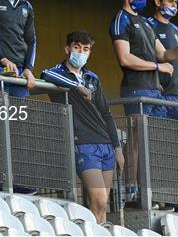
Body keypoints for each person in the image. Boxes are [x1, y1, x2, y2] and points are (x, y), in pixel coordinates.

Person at [109, 0, 178, 207]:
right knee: (136, 142)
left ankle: (153, 194)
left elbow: (164, 54)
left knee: (152, 143)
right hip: (136, 89)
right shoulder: (120, 20)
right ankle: (131, 194)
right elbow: (125, 58)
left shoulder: (145, 23)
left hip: (153, 91)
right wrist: (158, 67)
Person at [42, 30, 124, 223]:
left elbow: (106, 114)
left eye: (85, 49)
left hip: (105, 144)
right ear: (67, 49)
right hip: (84, 144)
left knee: (101, 207)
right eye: (77, 47)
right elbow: (45, 74)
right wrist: (76, 86)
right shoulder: (57, 73)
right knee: (99, 198)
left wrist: (118, 148)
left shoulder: (92, 78)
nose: (81, 52)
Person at [147, 0, 178, 120]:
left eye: (176, 2)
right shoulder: (147, 25)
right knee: (156, 135)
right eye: (170, 1)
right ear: (158, 2)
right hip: (156, 92)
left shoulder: (176, 29)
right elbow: (143, 55)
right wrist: (152, 81)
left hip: (175, 95)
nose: (174, 5)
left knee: (175, 138)